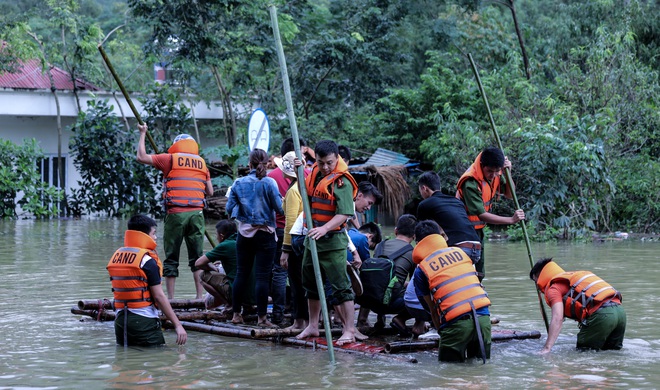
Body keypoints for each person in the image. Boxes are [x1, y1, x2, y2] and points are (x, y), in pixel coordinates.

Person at [136, 124, 213, 299]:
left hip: (176, 214)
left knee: (171, 258)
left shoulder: (170, 159)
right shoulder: (201, 163)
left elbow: (141, 157)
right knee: (197, 258)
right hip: (196, 215)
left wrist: (143, 133)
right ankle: (199, 298)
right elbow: (209, 192)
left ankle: (170, 299)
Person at [296, 140, 359, 345]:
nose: (324, 167)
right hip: (312, 239)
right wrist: (299, 170)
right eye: (321, 162)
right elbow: (305, 193)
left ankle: (349, 329)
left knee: (341, 286)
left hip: (332, 240)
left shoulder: (342, 181)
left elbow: (345, 213)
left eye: (329, 163)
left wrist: (324, 228)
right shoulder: (314, 171)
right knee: (311, 283)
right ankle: (313, 325)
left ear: (336, 158)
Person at [413, 220, 491, 362]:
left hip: (457, 325)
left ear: (417, 242)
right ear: (440, 236)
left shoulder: (421, 270)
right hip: (484, 320)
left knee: (450, 374)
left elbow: (433, 310)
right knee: (480, 368)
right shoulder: (461, 253)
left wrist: (443, 334)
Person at [107, 214, 187, 347]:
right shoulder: (147, 261)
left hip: (120, 322)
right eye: (153, 233)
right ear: (144, 235)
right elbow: (159, 296)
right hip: (143, 321)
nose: (155, 238)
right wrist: (177, 325)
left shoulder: (116, 256)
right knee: (158, 360)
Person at [226, 149, 284, 328]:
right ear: (266, 164)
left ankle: (236, 315)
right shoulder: (269, 183)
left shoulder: (238, 183)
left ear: (249, 164)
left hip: (244, 233)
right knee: (262, 277)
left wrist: (242, 214)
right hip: (265, 233)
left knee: (241, 274)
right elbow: (279, 208)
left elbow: (229, 209)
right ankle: (262, 319)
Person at [530, 258, 626, 353]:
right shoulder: (573, 277)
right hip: (620, 313)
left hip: (602, 315)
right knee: (612, 354)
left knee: (584, 355)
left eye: (535, 281)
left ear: (540, 276)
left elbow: (557, 318)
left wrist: (547, 347)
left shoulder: (553, 289)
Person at [456, 147, 525, 280]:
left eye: (496, 171)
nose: (493, 175)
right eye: (489, 171)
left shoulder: (497, 172)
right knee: (465, 270)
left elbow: (510, 195)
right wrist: (511, 220)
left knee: (480, 271)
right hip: (464, 230)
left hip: (478, 229)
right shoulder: (470, 182)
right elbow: (481, 214)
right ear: (482, 166)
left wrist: (507, 173)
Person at [268, 138, 308, 325]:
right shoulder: (307, 181)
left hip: (292, 237)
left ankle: (295, 319)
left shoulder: (292, 190)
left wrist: (286, 249)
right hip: (305, 236)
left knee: (291, 278)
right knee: (304, 280)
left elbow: (290, 221)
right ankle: (307, 319)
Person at [357, 214, 416, 336]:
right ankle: (406, 321)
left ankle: (363, 320)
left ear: (395, 231)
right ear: (414, 236)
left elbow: (378, 276)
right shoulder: (413, 253)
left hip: (371, 302)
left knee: (373, 278)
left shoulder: (380, 245)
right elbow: (416, 284)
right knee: (421, 291)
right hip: (392, 305)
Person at [417, 171, 482, 266]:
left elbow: (423, 236)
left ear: (424, 188)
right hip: (476, 248)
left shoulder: (425, 205)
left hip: (458, 250)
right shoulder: (457, 202)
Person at [194, 220, 239, 311]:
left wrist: (211, 267)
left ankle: (228, 304)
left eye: (216, 234)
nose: (216, 237)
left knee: (203, 276)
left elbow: (198, 263)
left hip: (236, 292)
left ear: (222, 236)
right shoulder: (243, 241)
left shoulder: (225, 245)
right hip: (252, 292)